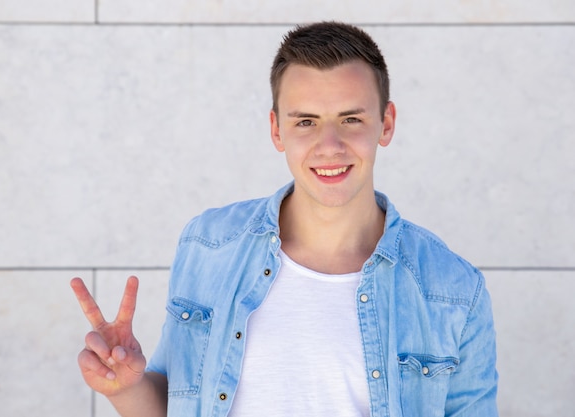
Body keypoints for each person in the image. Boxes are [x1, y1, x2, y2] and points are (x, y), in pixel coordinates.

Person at [71, 21, 499, 417]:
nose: (328, 146)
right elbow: (181, 400)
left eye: (351, 119)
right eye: (306, 122)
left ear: (385, 124)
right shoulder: (209, 245)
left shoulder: (454, 291)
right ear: (277, 130)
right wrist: (124, 388)